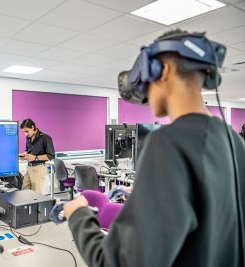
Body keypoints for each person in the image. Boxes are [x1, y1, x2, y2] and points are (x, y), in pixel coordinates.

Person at [64, 29, 245, 266]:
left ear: (164, 70)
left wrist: (78, 215)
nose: (146, 92)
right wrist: (147, 197)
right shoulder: (234, 141)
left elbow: (119, 262)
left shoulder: (167, 143)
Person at [19, 118, 55, 194]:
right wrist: (24, 155)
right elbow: (28, 150)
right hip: (29, 168)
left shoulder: (45, 138)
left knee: (36, 195)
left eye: (26, 131)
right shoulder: (28, 137)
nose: (25, 134)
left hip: (39, 169)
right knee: (24, 192)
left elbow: (51, 156)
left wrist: (35, 158)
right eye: (24, 132)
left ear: (32, 127)